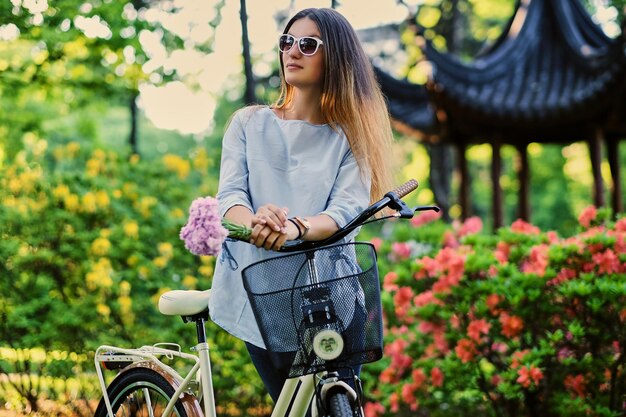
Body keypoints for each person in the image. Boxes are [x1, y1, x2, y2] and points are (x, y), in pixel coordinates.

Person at [209, 7, 394, 405]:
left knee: (336, 404)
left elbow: (344, 211)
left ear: (336, 58)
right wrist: (257, 221)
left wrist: (293, 227)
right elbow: (230, 201)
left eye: (308, 44)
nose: (293, 51)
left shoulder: (351, 137)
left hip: (333, 299)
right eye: (287, 42)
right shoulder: (248, 124)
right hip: (264, 298)